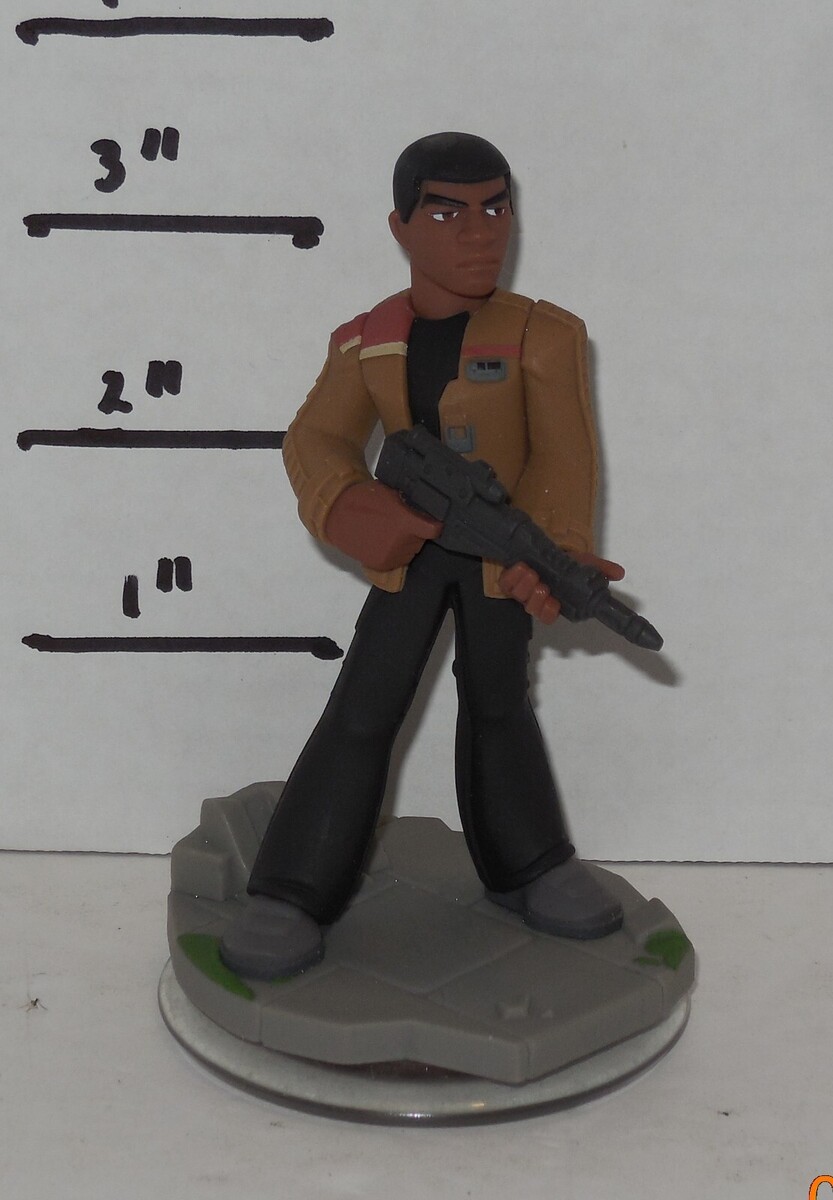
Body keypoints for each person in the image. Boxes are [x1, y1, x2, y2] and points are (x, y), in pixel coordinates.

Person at [220, 132, 626, 980]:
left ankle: (530, 863)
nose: (479, 233)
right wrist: (351, 505)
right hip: (410, 549)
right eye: (446, 213)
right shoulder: (365, 341)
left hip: (497, 550)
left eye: (495, 208)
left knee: (500, 701)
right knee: (364, 704)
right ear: (399, 226)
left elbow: (563, 459)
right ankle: (293, 887)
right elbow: (316, 438)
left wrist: (559, 551)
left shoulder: (543, 336)